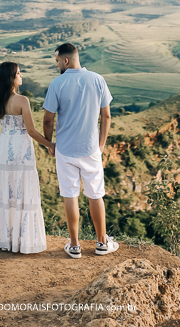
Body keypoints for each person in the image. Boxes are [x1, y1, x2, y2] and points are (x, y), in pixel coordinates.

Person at [42, 42, 119, 259]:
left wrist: (50, 144)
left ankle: (74, 246)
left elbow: (48, 119)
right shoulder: (97, 80)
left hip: (65, 150)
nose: (57, 65)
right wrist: (101, 145)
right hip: (90, 148)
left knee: (70, 195)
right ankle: (102, 243)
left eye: (57, 61)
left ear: (66, 60)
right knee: (95, 194)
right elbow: (107, 116)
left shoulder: (57, 83)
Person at [0, 60, 54, 253]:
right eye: (18, 73)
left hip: (3, 153)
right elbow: (31, 131)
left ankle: (6, 239)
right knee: (23, 192)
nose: (21, 75)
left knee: (7, 194)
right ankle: (23, 240)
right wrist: (50, 144)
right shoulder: (22, 101)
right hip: (22, 150)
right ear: (11, 78)